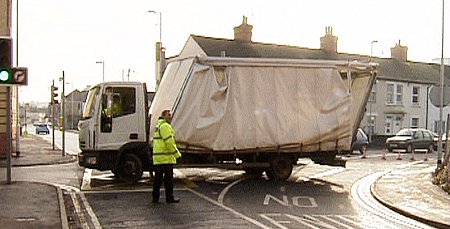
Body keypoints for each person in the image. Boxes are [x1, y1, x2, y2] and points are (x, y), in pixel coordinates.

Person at [152, 109, 182, 204]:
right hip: (166, 158)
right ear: (164, 116)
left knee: (157, 180)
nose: (170, 116)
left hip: (158, 159)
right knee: (168, 181)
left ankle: (155, 198)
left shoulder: (158, 125)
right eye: (168, 115)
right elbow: (169, 142)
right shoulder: (165, 126)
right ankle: (169, 198)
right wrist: (177, 154)